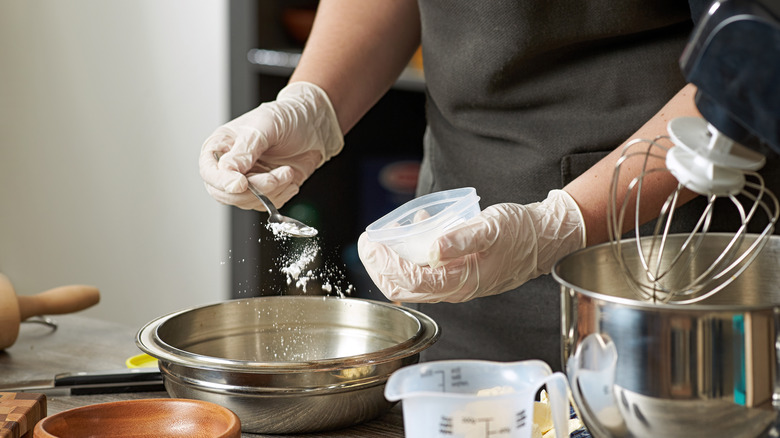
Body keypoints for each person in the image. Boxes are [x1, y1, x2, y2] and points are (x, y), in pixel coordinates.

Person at [199, 0, 778, 370]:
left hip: (676, 264)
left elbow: (756, 57)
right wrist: (315, 100)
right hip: (463, 276)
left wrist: (561, 224)